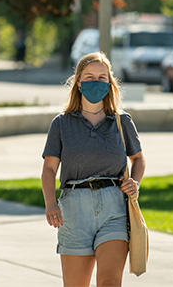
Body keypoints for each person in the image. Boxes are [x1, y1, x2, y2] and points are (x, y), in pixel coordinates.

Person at [41, 52, 146, 287]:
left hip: (114, 208)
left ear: (109, 84)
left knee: (109, 282)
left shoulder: (122, 121)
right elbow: (49, 169)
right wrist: (50, 203)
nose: (96, 82)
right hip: (74, 208)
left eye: (102, 77)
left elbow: (138, 158)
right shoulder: (61, 123)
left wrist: (135, 182)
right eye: (89, 77)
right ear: (78, 82)